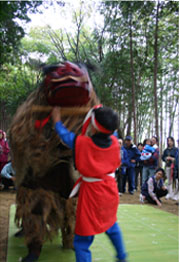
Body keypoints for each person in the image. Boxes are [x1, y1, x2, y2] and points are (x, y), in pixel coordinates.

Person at [52, 105, 127, 262]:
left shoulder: (82, 143)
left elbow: (65, 136)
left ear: (94, 126)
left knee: (82, 241)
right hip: (110, 190)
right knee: (111, 225)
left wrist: (57, 120)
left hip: (91, 193)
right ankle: (122, 257)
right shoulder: (114, 142)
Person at [162, 136, 179, 200]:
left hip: (175, 167)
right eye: (168, 141)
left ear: (173, 141)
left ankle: (176, 194)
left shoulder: (176, 149)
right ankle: (170, 193)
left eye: (170, 141)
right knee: (169, 181)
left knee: (176, 181)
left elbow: (177, 158)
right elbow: (163, 157)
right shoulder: (166, 150)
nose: (169, 142)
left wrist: (173, 159)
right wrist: (166, 159)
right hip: (168, 166)